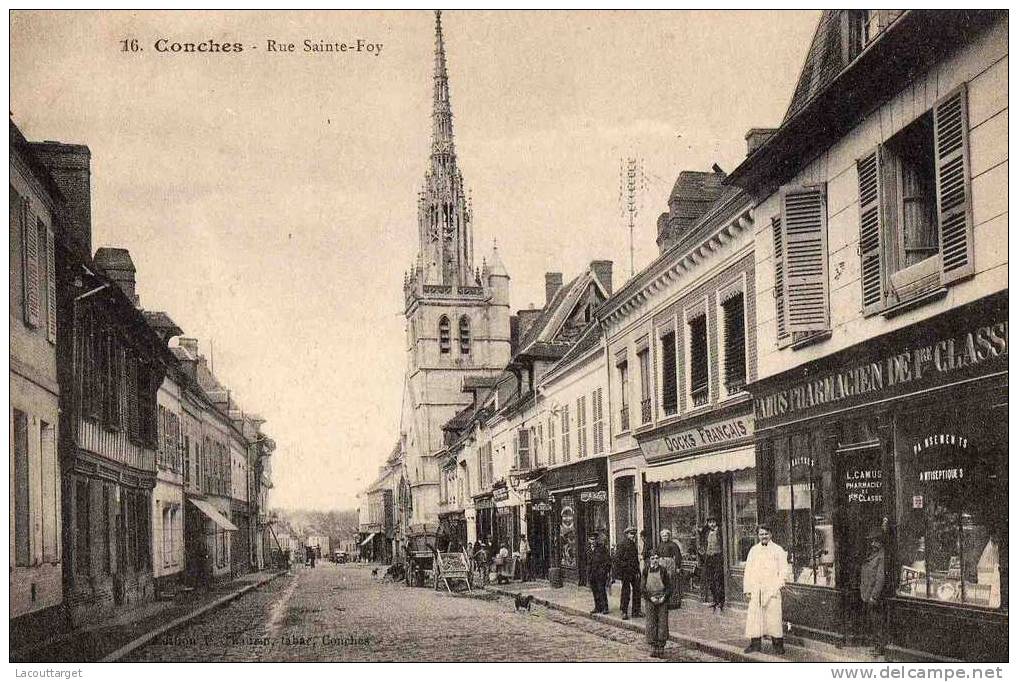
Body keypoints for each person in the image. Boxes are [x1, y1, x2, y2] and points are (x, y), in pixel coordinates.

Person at [743, 524, 789, 655]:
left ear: (771, 534)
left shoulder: (778, 550)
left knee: (773, 618)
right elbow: (748, 570)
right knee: (755, 618)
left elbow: (783, 570)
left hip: (772, 589)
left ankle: (778, 646)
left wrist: (778, 585)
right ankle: (755, 645)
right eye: (761, 534)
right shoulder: (753, 550)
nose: (764, 536)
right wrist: (748, 589)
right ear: (758, 535)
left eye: (766, 534)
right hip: (756, 589)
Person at [859, 527, 886, 656]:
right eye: (871, 541)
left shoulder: (881, 556)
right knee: (873, 621)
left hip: (873, 596)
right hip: (867, 593)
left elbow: (880, 577)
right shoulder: (872, 554)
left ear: (879, 542)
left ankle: (879, 647)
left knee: (877, 622)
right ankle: (875, 644)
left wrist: (874, 596)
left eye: (874, 541)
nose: (872, 543)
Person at [642, 551, 672, 659]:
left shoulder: (663, 570)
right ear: (649, 560)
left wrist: (664, 597)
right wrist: (650, 597)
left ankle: (661, 646)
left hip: (662, 599)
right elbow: (643, 587)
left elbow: (668, 587)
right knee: (651, 622)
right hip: (651, 599)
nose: (655, 560)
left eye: (656, 558)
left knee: (662, 622)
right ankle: (653, 646)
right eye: (652, 558)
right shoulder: (645, 570)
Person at [614, 526, 643, 620]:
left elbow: (635, 560)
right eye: (631, 534)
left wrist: (638, 571)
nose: (633, 536)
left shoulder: (633, 544)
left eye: (634, 534)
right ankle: (624, 611)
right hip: (626, 572)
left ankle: (636, 611)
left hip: (634, 572)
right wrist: (625, 567)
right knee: (626, 592)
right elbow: (617, 559)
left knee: (637, 591)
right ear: (627, 534)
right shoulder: (622, 544)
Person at [700, 517, 725, 611]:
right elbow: (703, 541)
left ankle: (720, 601)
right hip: (709, 558)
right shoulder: (707, 533)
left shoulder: (720, 532)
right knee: (710, 580)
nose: (712, 524)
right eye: (710, 522)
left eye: (713, 522)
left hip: (717, 557)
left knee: (718, 578)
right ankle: (714, 600)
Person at [656, 529, 684, 609]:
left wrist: (678, 567)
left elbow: (678, 556)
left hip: (670, 564)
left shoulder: (673, 544)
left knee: (671, 582)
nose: (664, 537)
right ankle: (663, 602)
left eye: (666, 535)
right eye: (663, 536)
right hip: (661, 564)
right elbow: (656, 554)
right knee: (662, 582)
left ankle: (672, 603)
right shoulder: (660, 545)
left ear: (669, 536)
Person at [588, 533, 612, 615]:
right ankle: (597, 607)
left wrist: (604, 571)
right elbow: (588, 562)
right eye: (591, 539)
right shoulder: (588, 549)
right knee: (595, 591)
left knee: (601, 590)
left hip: (600, 574)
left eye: (594, 539)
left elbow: (608, 560)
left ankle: (605, 607)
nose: (593, 541)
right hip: (592, 574)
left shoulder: (602, 548)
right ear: (589, 540)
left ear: (596, 540)